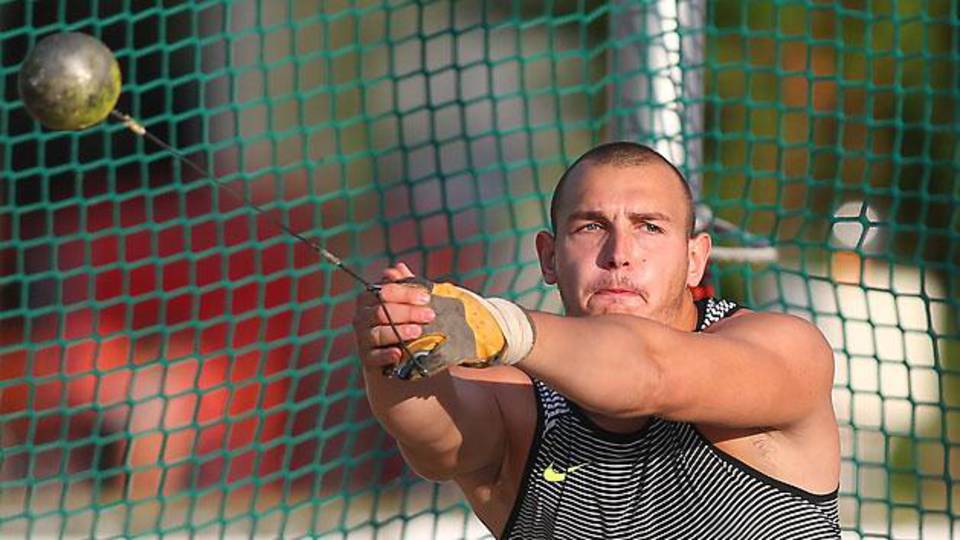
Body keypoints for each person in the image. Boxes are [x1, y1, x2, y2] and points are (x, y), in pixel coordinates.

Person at [352, 141, 840, 539]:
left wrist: (506, 325)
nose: (619, 254)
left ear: (695, 259)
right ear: (548, 257)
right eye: (591, 226)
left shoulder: (784, 349)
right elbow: (434, 436)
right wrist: (397, 340)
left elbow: (650, 372)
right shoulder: (520, 399)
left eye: (649, 227)